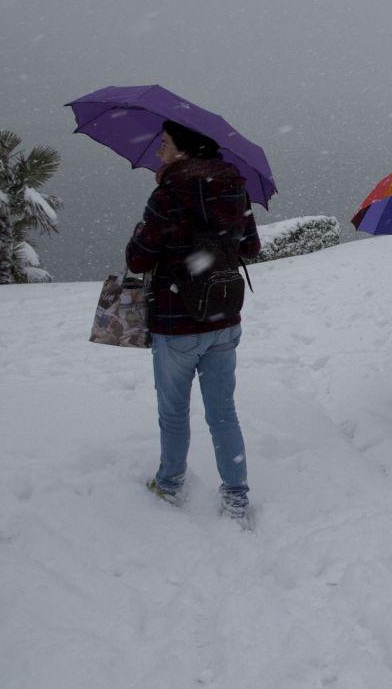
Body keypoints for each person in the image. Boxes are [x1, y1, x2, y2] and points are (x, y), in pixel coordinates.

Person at [125, 120, 261, 519]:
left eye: (164, 144)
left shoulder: (167, 195)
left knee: (173, 412)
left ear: (184, 150)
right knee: (223, 412)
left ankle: (169, 485)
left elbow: (138, 259)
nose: (158, 152)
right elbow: (250, 248)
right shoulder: (237, 187)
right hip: (223, 317)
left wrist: (143, 231)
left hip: (176, 321)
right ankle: (236, 496)